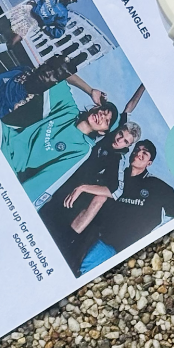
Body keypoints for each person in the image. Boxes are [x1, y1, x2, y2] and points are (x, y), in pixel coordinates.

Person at [38, 96, 144, 272]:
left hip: (75, 195)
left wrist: (82, 188)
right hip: (66, 176)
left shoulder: (118, 159)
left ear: (129, 146)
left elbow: (116, 191)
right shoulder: (109, 133)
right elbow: (128, 108)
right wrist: (144, 86)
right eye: (121, 134)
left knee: (53, 230)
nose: (120, 139)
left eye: (126, 141)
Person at [71, 140, 174, 274]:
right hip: (90, 238)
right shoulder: (114, 176)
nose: (138, 153)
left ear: (149, 163)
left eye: (144, 153)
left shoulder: (157, 186)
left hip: (124, 254)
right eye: (136, 149)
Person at [0, 73, 119, 202]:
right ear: (97, 107)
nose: (101, 117)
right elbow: (58, 73)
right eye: (103, 111)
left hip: (9, 162)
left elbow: (49, 178)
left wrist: (19, 201)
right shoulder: (69, 109)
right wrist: (90, 91)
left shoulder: (82, 149)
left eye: (106, 121)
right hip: (2, 134)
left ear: (102, 132)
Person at [0, 54, 79, 126]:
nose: (47, 73)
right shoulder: (21, 71)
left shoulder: (37, 107)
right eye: (49, 66)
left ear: (57, 83)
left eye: (55, 75)